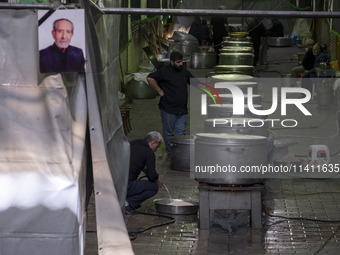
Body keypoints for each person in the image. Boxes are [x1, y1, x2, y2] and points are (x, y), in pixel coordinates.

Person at [147, 51, 194, 157]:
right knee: (169, 133)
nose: (180, 64)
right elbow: (150, 78)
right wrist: (159, 90)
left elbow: (195, 82)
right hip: (168, 109)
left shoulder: (184, 72)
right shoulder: (164, 72)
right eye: (178, 62)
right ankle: (171, 155)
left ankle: (180, 156)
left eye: (181, 62)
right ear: (172, 62)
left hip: (182, 110)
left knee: (181, 134)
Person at [125, 131, 163, 214]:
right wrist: (157, 182)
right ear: (153, 143)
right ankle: (128, 204)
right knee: (153, 187)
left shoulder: (134, 143)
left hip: (113, 182)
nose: (156, 150)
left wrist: (145, 169)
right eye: (157, 147)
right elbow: (152, 176)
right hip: (126, 186)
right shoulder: (149, 153)